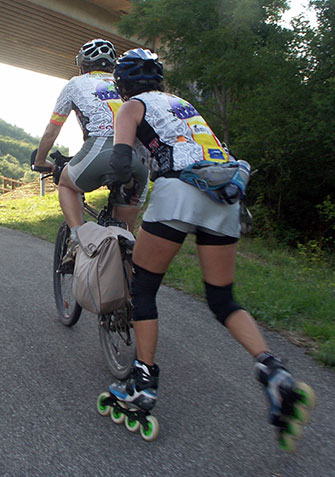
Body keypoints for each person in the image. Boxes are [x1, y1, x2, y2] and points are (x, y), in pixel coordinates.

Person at [106, 47, 315, 447]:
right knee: (222, 299)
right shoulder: (183, 105)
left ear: (124, 84)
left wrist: (118, 188)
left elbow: (120, 160)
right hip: (224, 193)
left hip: (179, 190)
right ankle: (274, 372)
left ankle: (143, 382)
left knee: (144, 286)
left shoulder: (131, 106)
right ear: (160, 80)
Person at [34, 39, 149, 261]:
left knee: (66, 183)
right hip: (138, 160)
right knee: (123, 242)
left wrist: (40, 161)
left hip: (101, 148)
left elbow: (52, 130)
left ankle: (77, 236)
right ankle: (127, 292)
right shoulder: (126, 86)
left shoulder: (75, 84)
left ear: (82, 66)